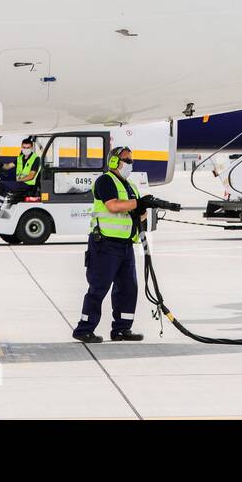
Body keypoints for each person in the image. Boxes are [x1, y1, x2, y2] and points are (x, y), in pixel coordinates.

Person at [72, 146, 152, 344]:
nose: (130, 164)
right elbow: (113, 205)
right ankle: (84, 329)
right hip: (105, 245)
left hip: (125, 245)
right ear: (114, 162)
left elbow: (137, 213)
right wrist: (139, 203)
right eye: (127, 160)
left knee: (128, 288)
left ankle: (122, 329)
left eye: (132, 161)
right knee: (99, 287)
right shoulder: (105, 180)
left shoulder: (131, 185)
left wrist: (145, 209)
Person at [0, 137, 40, 210]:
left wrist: (19, 180)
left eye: (28, 147)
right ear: (21, 147)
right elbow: (8, 166)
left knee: (2, 185)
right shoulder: (20, 158)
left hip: (28, 185)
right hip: (20, 183)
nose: (26, 149)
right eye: (24, 147)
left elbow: (31, 176)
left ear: (31, 148)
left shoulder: (36, 159)